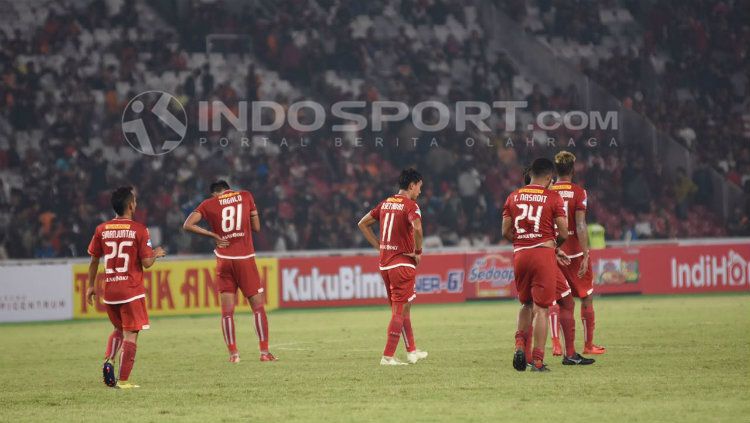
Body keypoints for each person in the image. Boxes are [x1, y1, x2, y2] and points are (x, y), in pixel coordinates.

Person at [182, 180, 276, 362]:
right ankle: (264, 353)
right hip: (244, 258)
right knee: (257, 308)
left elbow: (187, 225)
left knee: (227, 312)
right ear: (228, 189)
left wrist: (213, 235)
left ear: (214, 193)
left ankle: (234, 355)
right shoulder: (246, 195)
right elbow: (256, 228)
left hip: (224, 260)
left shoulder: (208, 204)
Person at [86, 186, 166, 389]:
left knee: (118, 329)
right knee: (132, 333)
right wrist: (156, 253)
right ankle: (123, 380)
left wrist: (90, 287)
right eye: (135, 202)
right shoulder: (139, 229)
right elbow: (147, 263)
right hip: (131, 290)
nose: (136, 204)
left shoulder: (101, 229)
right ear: (130, 205)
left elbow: (94, 260)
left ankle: (108, 360)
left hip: (110, 290)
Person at [502, 158, 569, 372]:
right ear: (549, 177)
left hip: (520, 254)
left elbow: (505, 231)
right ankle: (538, 361)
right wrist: (553, 246)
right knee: (542, 309)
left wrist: (524, 241)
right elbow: (565, 232)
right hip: (542, 255)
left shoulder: (512, 197)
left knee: (525, 305)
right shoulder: (553, 197)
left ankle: (520, 345)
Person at [357, 168, 428, 366]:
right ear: (412, 185)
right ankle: (387, 356)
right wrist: (419, 251)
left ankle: (412, 351)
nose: (420, 192)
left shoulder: (386, 203)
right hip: (402, 263)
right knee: (399, 310)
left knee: (404, 308)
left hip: (386, 264)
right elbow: (417, 228)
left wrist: (380, 247)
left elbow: (362, 224)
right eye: (419, 187)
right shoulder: (411, 205)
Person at [550, 151, 606, 355]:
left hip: (554, 253)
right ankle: (588, 345)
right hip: (573, 252)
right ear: (573, 170)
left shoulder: (549, 192)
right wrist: (585, 254)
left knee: (555, 300)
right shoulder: (579, 192)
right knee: (586, 297)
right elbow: (581, 225)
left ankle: (556, 343)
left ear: (556, 170)